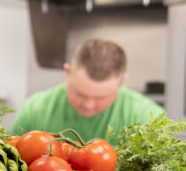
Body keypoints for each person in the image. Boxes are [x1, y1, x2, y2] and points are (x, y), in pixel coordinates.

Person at [11, 38, 165, 145]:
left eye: (101, 98)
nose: (88, 105)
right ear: (67, 72)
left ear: (122, 81)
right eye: (80, 93)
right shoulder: (34, 110)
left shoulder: (148, 117)